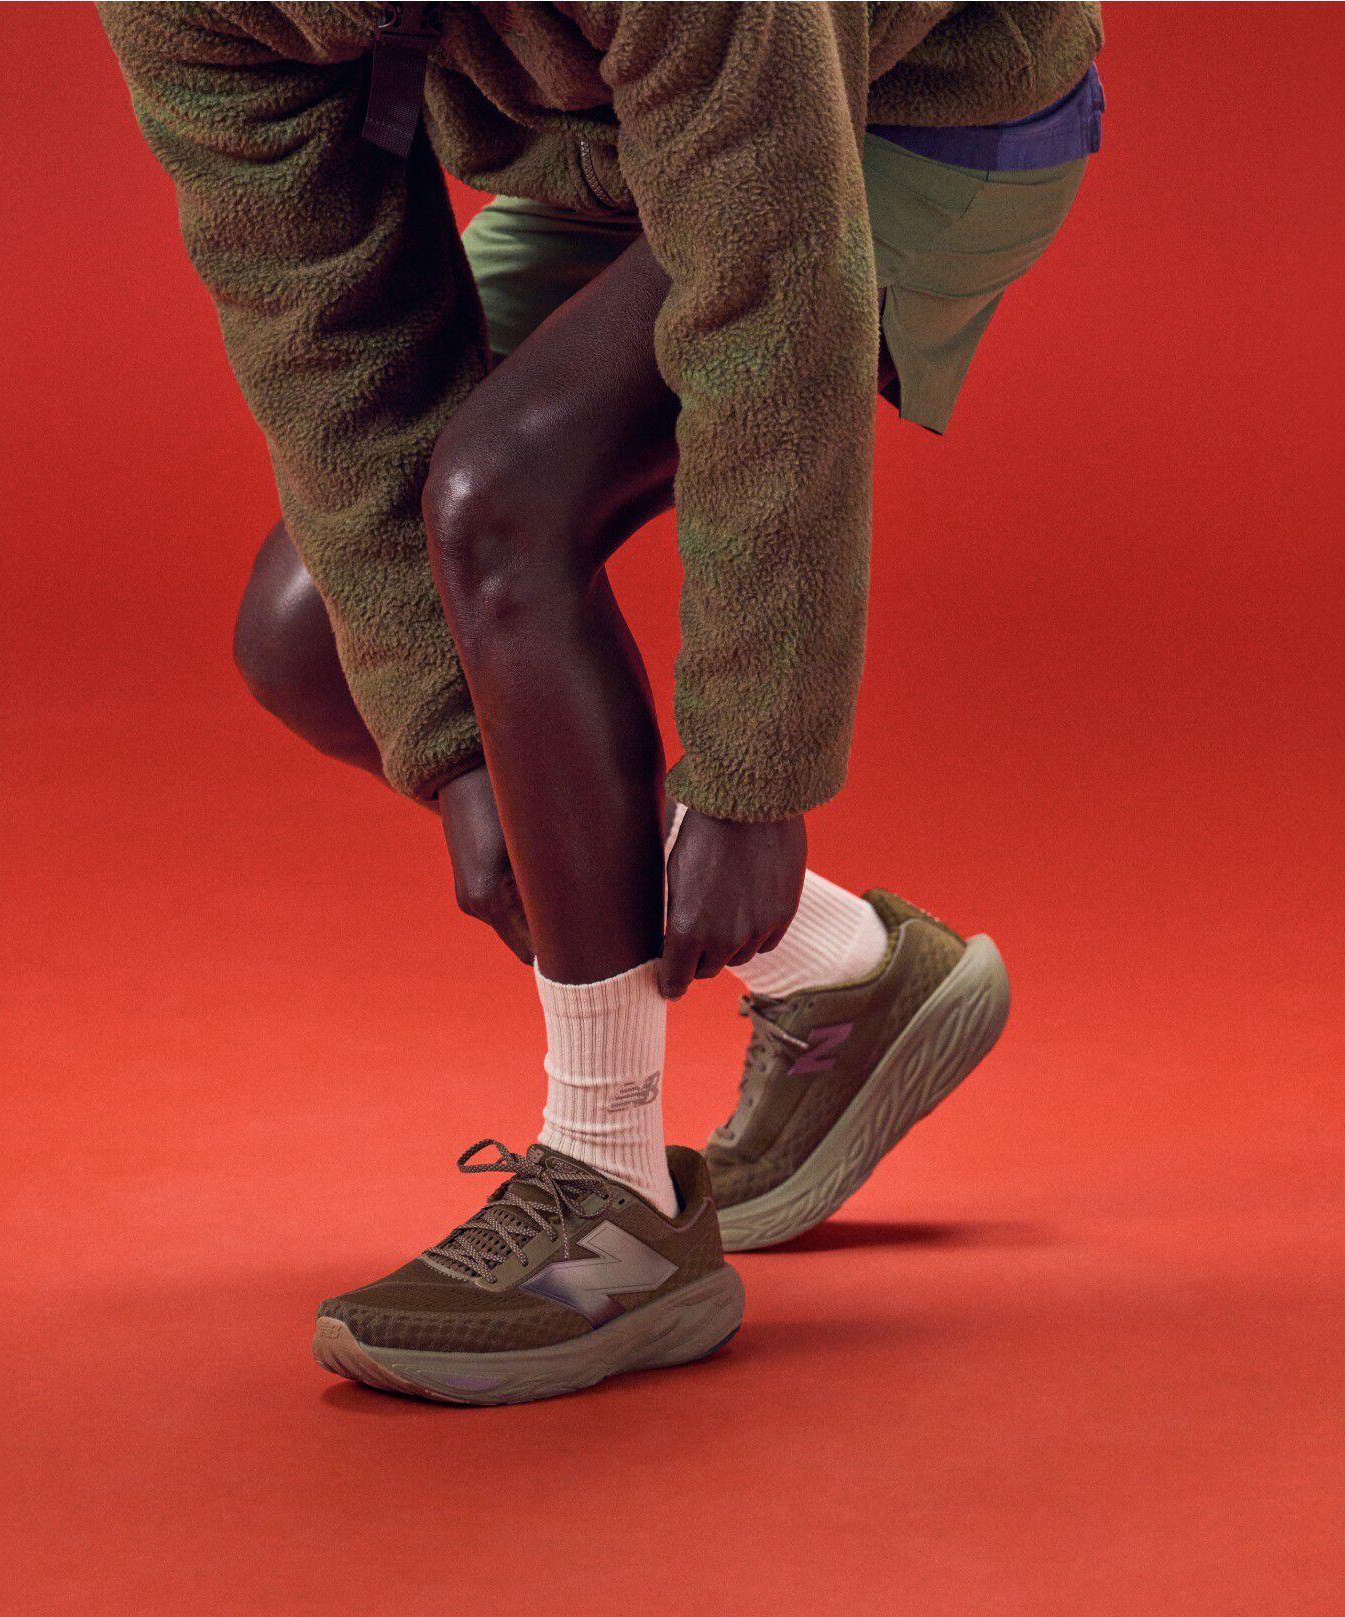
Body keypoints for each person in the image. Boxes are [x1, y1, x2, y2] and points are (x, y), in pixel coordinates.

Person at [100, 0, 1103, 1405]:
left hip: (903, 115)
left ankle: (612, 1201)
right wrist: (455, 741)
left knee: (501, 500)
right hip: (639, 150)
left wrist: (755, 777)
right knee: (317, 636)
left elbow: (771, 281)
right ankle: (847, 977)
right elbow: (321, 320)